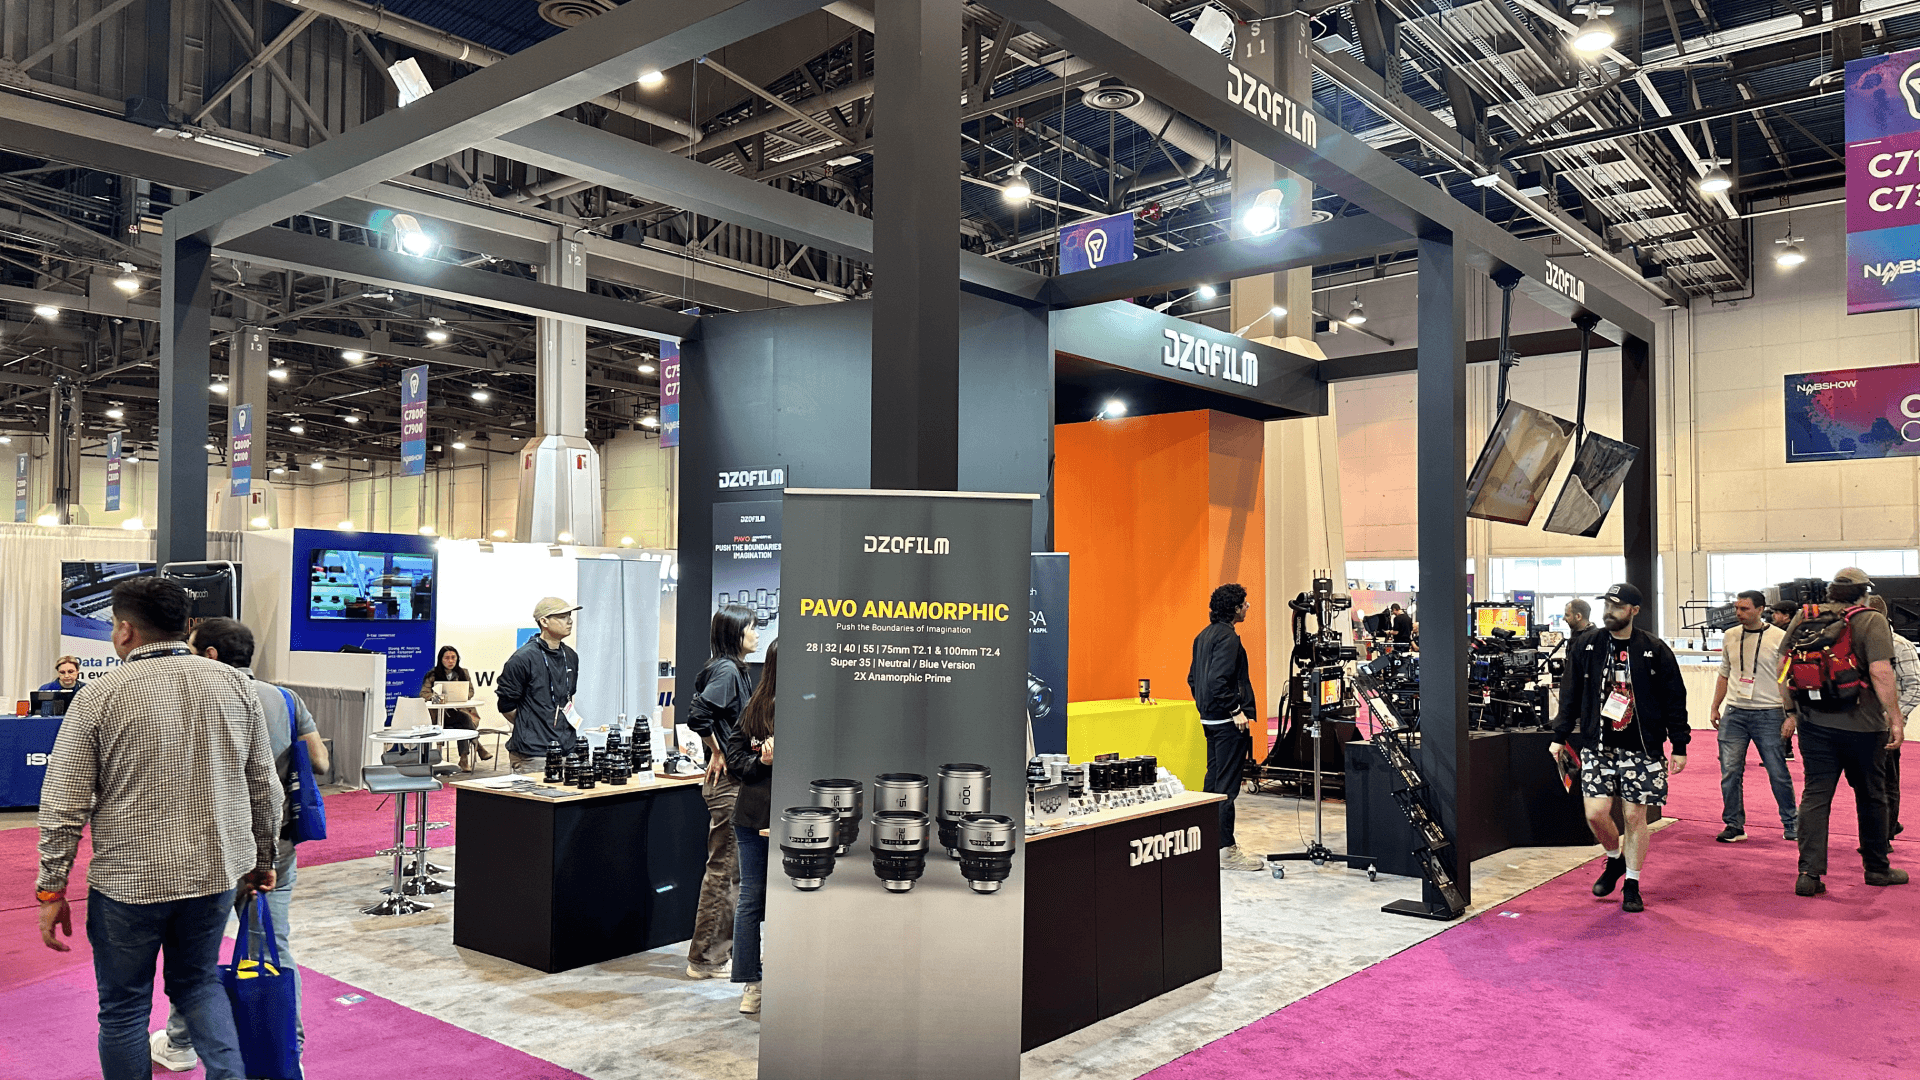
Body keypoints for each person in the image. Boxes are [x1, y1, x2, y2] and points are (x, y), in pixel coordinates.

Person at [35, 577, 281, 1080]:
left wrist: (50, 887)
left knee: (124, 1008)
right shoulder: (233, 684)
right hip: (214, 874)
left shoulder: (100, 696)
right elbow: (264, 785)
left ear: (125, 631)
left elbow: (63, 801)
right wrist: (263, 861)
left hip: (130, 882)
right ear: (185, 626)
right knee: (198, 984)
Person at [151, 617, 330, 1074]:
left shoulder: (192, 700)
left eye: (191, 651)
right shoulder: (285, 698)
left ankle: (179, 1043)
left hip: (210, 842)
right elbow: (320, 762)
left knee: (194, 949)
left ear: (210, 655)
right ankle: (289, 1051)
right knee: (272, 946)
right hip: (275, 843)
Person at [1550, 583, 1689, 913]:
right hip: (1598, 746)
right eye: (1606, 605)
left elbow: (1674, 698)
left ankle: (1632, 882)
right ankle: (1614, 858)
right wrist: (1561, 734)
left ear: (1634, 611)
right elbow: (1569, 694)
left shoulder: (1654, 649)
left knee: (1633, 816)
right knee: (1595, 813)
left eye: (1616, 606)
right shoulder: (1586, 645)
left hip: (1642, 748)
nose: (1608, 611)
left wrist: (1679, 743)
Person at [1781, 569, 1907, 895]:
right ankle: (1877, 868)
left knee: (1816, 796)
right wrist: (1895, 718)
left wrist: (1792, 711)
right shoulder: (1871, 619)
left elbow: (1782, 665)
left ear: (1831, 592)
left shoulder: (1805, 616)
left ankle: (1809, 874)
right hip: (1864, 726)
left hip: (1814, 724)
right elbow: (1880, 672)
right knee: (1871, 796)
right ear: (1864, 592)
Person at [682, 604, 757, 980]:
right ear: (735, 633)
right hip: (728, 785)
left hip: (733, 783)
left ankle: (715, 954)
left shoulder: (733, 670)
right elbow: (698, 714)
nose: (756, 635)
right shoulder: (727, 670)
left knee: (731, 871)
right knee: (725, 871)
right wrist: (716, 749)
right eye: (751, 628)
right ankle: (705, 958)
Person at [718, 639, 777, 1015]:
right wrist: (764, 764)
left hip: (792, 818)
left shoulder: (812, 703)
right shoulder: (757, 710)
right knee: (752, 899)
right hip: (755, 818)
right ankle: (751, 983)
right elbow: (735, 761)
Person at [1709, 590, 1796, 843]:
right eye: (1737, 608)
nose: (1738, 613)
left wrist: (1791, 714)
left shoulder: (1780, 638)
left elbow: (1788, 679)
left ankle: (1792, 823)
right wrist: (1716, 706)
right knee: (1730, 772)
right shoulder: (1730, 636)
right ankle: (1734, 825)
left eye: (1745, 609)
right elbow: (1724, 673)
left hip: (1769, 712)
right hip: (1734, 712)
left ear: (1760, 609)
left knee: (1777, 771)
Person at [1188, 583, 1263, 872]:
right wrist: (1235, 710)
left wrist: (1206, 707)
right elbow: (1218, 681)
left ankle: (1209, 844)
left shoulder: (1203, 636)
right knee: (1226, 789)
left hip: (1210, 720)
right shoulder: (1228, 638)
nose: (1248, 607)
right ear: (1234, 608)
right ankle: (1226, 851)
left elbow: (1194, 680)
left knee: (1213, 784)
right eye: (1244, 603)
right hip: (1227, 723)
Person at [495, 597, 582, 773]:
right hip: (533, 753)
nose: (570, 621)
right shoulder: (522, 659)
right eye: (563, 616)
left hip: (567, 749)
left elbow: (567, 699)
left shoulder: (571, 656)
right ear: (544, 621)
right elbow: (506, 704)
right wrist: (531, 724)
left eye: (570, 615)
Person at [1867, 594, 1917, 852]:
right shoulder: (1854, 643)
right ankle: (1885, 827)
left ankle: (1884, 836)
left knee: (1886, 782)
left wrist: (1897, 716)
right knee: (1868, 785)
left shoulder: (1900, 645)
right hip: (1860, 725)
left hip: (1885, 727)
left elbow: (1915, 687)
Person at [421, 645, 490, 771]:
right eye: (447, 658)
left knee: (463, 721)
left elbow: (470, 691)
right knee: (464, 720)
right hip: (439, 716)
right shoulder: (433, 675)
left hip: (458, 712)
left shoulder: (463, 673)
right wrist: (440, 699)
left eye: (453, 657)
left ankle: (464, 759)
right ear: (441, 659)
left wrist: (460, 696)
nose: (451, 661)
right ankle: (478, 747)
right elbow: (424, 694)